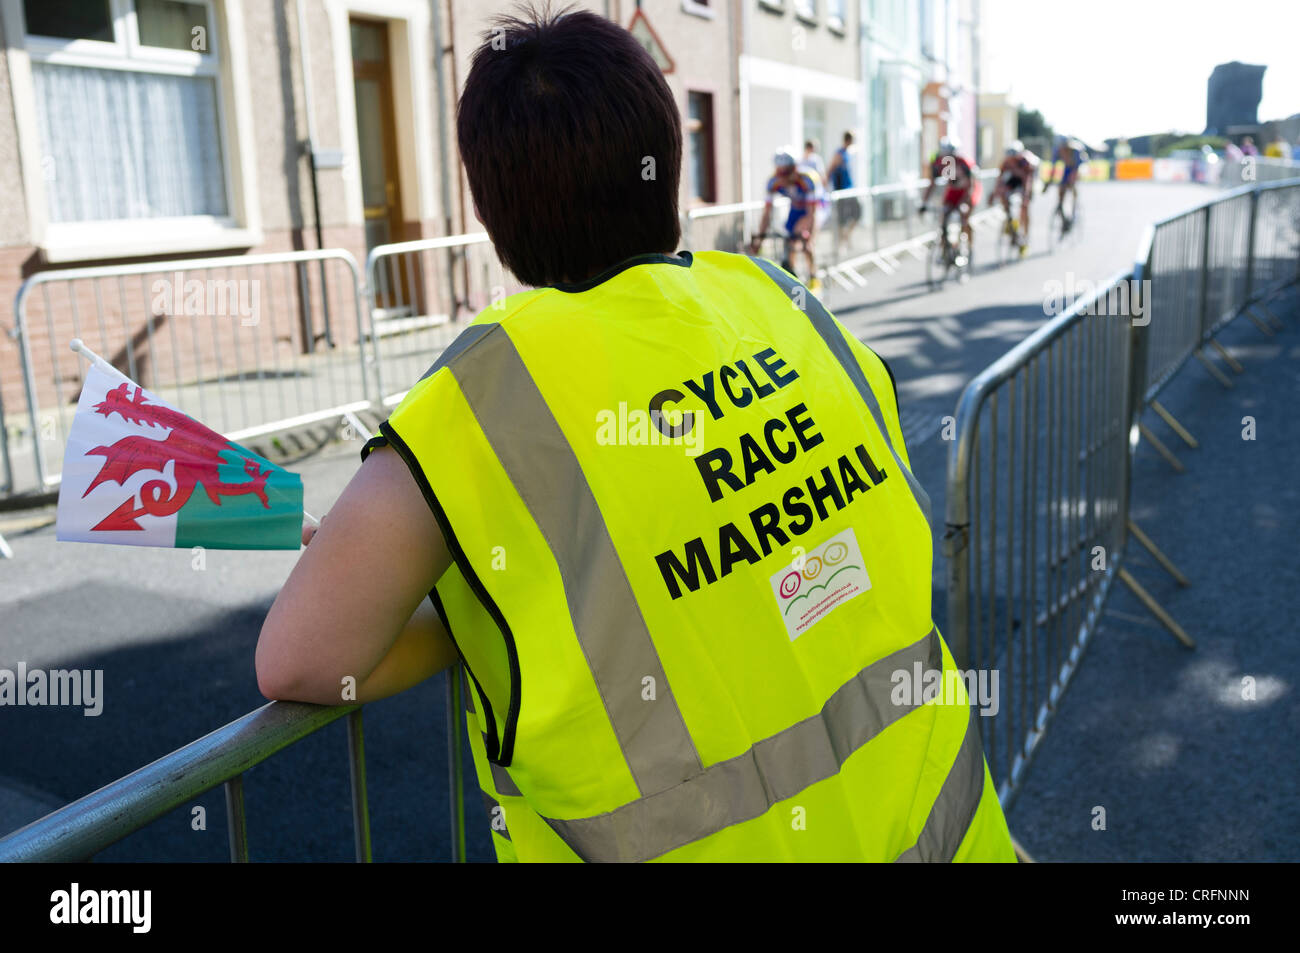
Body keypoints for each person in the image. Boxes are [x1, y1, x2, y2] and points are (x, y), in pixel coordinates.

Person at [256, 3, 1016, 864]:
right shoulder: (782, 305)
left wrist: (463, 603)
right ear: (670, 166)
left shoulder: (483, 397)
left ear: (494, 206)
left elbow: (301, 660)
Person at [749, 149, 826, 292]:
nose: (784, 178)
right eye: (781, 173)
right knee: (791, 243)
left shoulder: (808, 179)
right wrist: (760, 238)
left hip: (815, 208)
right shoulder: (773, 182)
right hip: (796, 208)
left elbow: (812, 214)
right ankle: (793, 279)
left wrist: (811, 238)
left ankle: (814, 277)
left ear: (795, 168)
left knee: (804, 241)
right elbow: (766, 213)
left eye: (787, 173)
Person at [919, 136, 981, 264]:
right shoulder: (938, 162)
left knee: (965, 217)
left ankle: (968, 247)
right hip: (953, 191)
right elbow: (932, 184)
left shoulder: (964, 162)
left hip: (968, 190)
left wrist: (965, 203)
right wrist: (924, 202)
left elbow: (971, 185)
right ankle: (945, 251)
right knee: (943, 219)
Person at [989, 140, 1038, 256]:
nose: (1011, 160)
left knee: (1025, 207)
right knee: (1004, 196)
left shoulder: (1025, 162)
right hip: (1014, 181)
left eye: (1013, 158)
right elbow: (1000, 180)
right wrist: (994, 194)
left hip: (1026, 181)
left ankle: (1025, 235)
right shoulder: (1005, 162)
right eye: (1009, 158)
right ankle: (1010, 221)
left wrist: (1025, 196)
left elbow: (1028, 181)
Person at [1043, 134, 1087, 232]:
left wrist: (1071, 182)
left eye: (1064, 147)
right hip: (1067, 169)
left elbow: (1077, 169)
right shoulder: (1057, 151)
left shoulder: (1076, 150)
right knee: (1061, 191)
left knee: (1072, 184)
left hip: (1077, 168)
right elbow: (1053, 169)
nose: (1062, 149)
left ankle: (1074, 209)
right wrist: (1048, 183)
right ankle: (1063, 216)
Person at [826, 131, 862, 246]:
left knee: (857, 213)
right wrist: (826, 185)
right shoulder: (839, 154)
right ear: (849, 140)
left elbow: (856, 149)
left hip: (850, 190)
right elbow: (830, 169)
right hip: (841, 190)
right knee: (841, 218)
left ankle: (846, 236)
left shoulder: (847, 152)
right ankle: (841, 242)